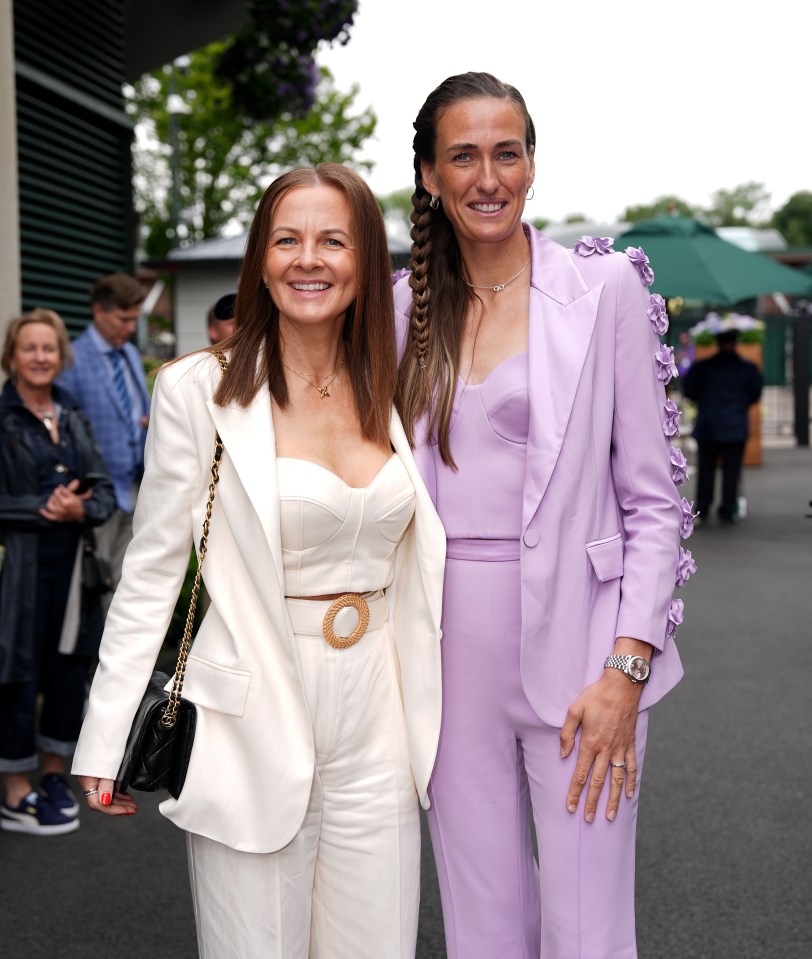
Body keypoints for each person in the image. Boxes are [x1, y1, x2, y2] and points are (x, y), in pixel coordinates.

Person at [72, 164, 446, 958]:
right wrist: (103, 736)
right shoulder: (197, 390)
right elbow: (152, 572)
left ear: (366, 262)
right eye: (287, 239)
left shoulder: (396, 382)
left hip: (379, 708)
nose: (308, 259)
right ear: (260, 258)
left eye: (333, 240)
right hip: (250, 711)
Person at [393, 72, 691, 958]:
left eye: (507, 152)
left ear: (531, 165)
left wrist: (625, 672)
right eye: (463, 155)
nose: (488, 176)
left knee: (585, 927)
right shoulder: (404, 309)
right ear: (429, 176)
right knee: (481, 926)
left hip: (584, 659)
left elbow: (654, 500)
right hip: (445, 659)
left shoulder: (605, 294)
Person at [0, 309, 115, 835]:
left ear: (60, 357)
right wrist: (48, 506)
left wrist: (81, 511)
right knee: (17, 673)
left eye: (49, 348)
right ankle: (14, 786)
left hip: (72, 568)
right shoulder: (4, 418)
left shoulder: (71, 414)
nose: (41, 357)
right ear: (12, 357)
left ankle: (51, 773)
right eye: (30, 348)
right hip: (18, 570)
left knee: (67, 669)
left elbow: (106, 492)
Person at [57, 273, 150, 608]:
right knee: (93, 587)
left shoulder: (130, 355)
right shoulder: (71, 360)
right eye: (124, 319)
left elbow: (139, 410)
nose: (130, 328)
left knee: (129, 584)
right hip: (96, 494)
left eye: (134, 320)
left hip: (135, 487)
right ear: (99, 311)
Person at [682, 328, 763, 523]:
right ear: (735, 343)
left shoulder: (703, 367)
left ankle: (703, 508)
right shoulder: (748, 368)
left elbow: (690, 390)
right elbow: (755, 394)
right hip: (734, 427)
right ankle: (727, 510)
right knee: (731, 472)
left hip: (708, 426)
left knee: (706, 470)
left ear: (718, 343)